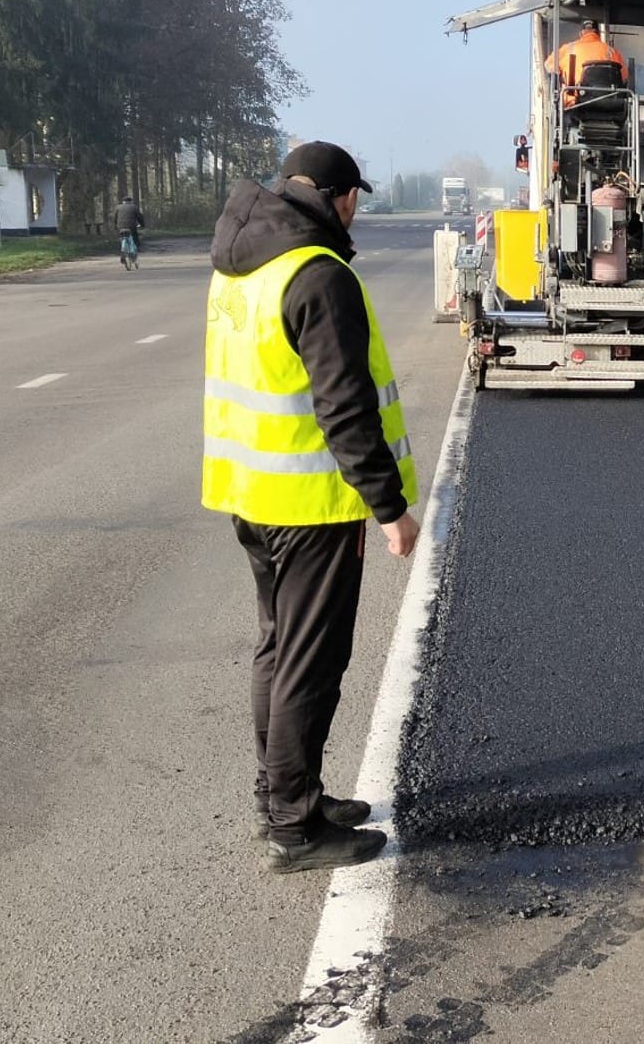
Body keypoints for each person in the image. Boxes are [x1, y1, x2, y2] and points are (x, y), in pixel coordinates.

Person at [202, 140, 421, 874]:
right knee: (309, 663)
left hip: (252, 494)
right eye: (355, 197)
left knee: (276, 650)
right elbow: (344, 406)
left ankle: (287, 796)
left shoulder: (244, 262)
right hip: (310, 503)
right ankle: (295, 827)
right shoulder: (317, 274)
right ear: (342, 196)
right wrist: (389, 508)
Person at [545, 21, 628, 106]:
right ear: (598, 33)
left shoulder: (568, 49)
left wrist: (560, 76)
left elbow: (549, 65)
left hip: (577, 103)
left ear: (581, 34)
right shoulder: (612, 51)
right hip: (610, 103)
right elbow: (625, 78)